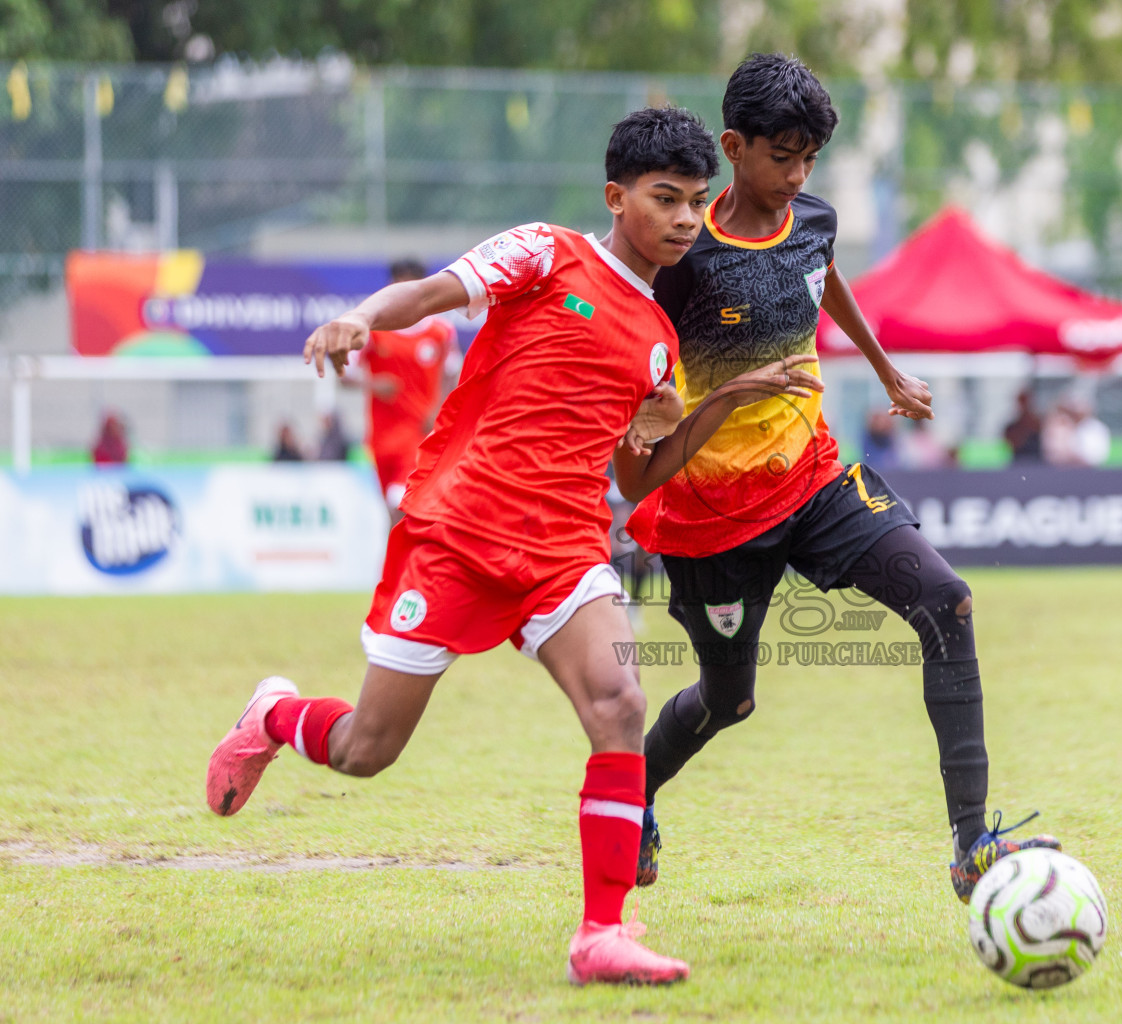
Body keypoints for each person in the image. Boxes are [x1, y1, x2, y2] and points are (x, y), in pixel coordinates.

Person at [205, 108, 821, 986]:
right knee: (365, 751)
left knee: (618, 700)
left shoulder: (657, 341)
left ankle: (601, 934)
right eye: (665, 199)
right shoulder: (545, 253)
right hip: (458, 532)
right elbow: (428, 295)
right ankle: (272, 714)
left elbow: (640, 476)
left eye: (693, 202)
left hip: (566, 545)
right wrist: (358, 317)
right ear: (617, 197)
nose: (685, 220)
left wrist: (726, 398)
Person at [618, 54, 1058, 908]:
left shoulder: (811, 216)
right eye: (782, 157)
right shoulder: (681, 252)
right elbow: (633, 365)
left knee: (948, 601)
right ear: (733, 148)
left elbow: (824, 281)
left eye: (810, 159)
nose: (798, 175)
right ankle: (634, 790)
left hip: (814, 480)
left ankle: (972, 843)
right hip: (713, 515)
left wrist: (889, 373)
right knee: (727, 699)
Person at [350, 258, 461, 524]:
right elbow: (345, 375)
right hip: (381, 437)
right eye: (399, 282)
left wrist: (437, 409)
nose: (404, 288)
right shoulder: (375, 330)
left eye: (410, 282)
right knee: (393, 511)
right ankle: (397, 563)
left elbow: (453, 373)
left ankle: (402, 564)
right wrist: (375, 384)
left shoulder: (439, 331)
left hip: (419, 434)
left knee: (400, 504)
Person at [1003, 388, 1042, 462]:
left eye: (1027, 402)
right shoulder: (1011, 428)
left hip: (1038, 464)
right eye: (1022, 402)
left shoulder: (1039, 424)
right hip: (1018, 465)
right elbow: (1010, 445)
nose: (1025, 406)